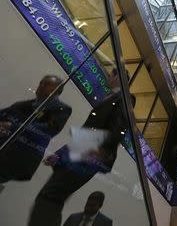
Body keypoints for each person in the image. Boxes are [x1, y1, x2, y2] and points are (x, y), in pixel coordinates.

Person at [28, 69, 134, 226]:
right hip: (83, 154)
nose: (108, 78)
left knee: (49, 196)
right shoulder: (110, 97)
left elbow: (115, 133)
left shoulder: (125, 99)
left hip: (89, 157)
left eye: (111, 75)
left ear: (118, 76)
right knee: (52, 197)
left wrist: (84, 150)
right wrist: (62, 153)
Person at [0, 75, 72, 184]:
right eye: (41, 83)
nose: (41, 86)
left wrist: (13, 126)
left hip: (21, 157)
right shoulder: (23, 105)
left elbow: (49, 130)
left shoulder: (61, 109)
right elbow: (4, 114)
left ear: (58, 90)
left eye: (47, 84)